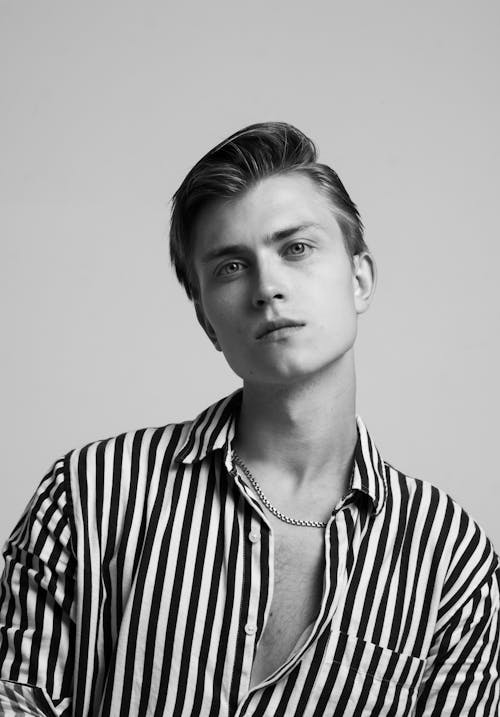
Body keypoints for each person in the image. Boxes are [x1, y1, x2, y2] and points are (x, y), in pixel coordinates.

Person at [0, 122, 498, 716]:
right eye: (231, 267)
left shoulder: (447, 554)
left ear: (360, 279)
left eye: (296, 248)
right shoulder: (92, 493)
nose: (268, 288)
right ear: (208, 321)